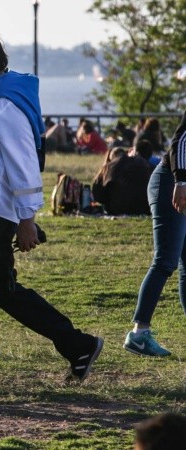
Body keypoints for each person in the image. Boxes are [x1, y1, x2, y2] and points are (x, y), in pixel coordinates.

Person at [0, 26, 103, 381]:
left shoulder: (5, 104)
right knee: (3, 290)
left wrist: (26, 220)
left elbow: (24, 165)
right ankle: (77, 344)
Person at [123, 110, 186, 357]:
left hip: (179, 183)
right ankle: (139, 334)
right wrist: (182, 181)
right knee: (165, 261)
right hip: (171, 183)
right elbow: (181, 139)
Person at [92, 147, 153, 215]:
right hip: (144, 207)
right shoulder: (141, 163)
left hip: (118, 208)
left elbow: (97, 194)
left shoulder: (109, 166)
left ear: (112, 157)